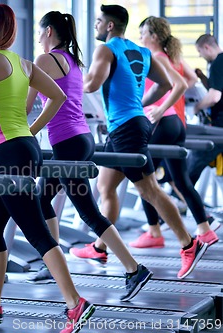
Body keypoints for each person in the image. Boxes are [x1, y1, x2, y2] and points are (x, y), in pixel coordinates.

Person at [0, 4, 94, 333]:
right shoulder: (22, 63)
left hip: (9, 154)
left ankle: (75, 304)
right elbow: (58, 96)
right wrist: (31, 128)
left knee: (35, 230)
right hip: (27, 149)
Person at [71, 4, 208, 279]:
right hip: (129, 125)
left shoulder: (106, 49)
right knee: (105, 185)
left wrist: (62, 77)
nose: (96, 25)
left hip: (126, 129)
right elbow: (167, 84)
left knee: (150, 190)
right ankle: (100, 246)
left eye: (98, 21)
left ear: (110, 25)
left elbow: (90, 85)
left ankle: (189, 244)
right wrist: (140, 106)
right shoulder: (142, 51)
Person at [25, 10, 152, 301]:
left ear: (47, 32)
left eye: (38, 32)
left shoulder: (46, 60)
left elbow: (32, 104)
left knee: (88, 212)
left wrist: (29, 129)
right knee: (42, 197)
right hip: (81, 139)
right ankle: (52, 262)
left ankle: (134, 269)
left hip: (68, 143)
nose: (37, 38)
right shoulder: (73, 61)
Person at [128, 16, 219, 249]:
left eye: (143, 34)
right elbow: (188, 79)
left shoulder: (157, 57)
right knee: (181, 179)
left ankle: (154, 231)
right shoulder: (172, 56)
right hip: (177, 122)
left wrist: (160, 107)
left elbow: (178, 83)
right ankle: (205, 229)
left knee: (142, 176)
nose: (140, 38)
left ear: (154, 36)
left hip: (163, 121)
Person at [186, 34, 223, 185]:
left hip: (220, 126)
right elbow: (218, 89)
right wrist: (202, 78)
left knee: (193, 162)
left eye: (200, 51)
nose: (200, 55)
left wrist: (196, 107)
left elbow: (214, 97)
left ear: (206, 47)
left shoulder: (217, 63)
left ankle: (181, 199)